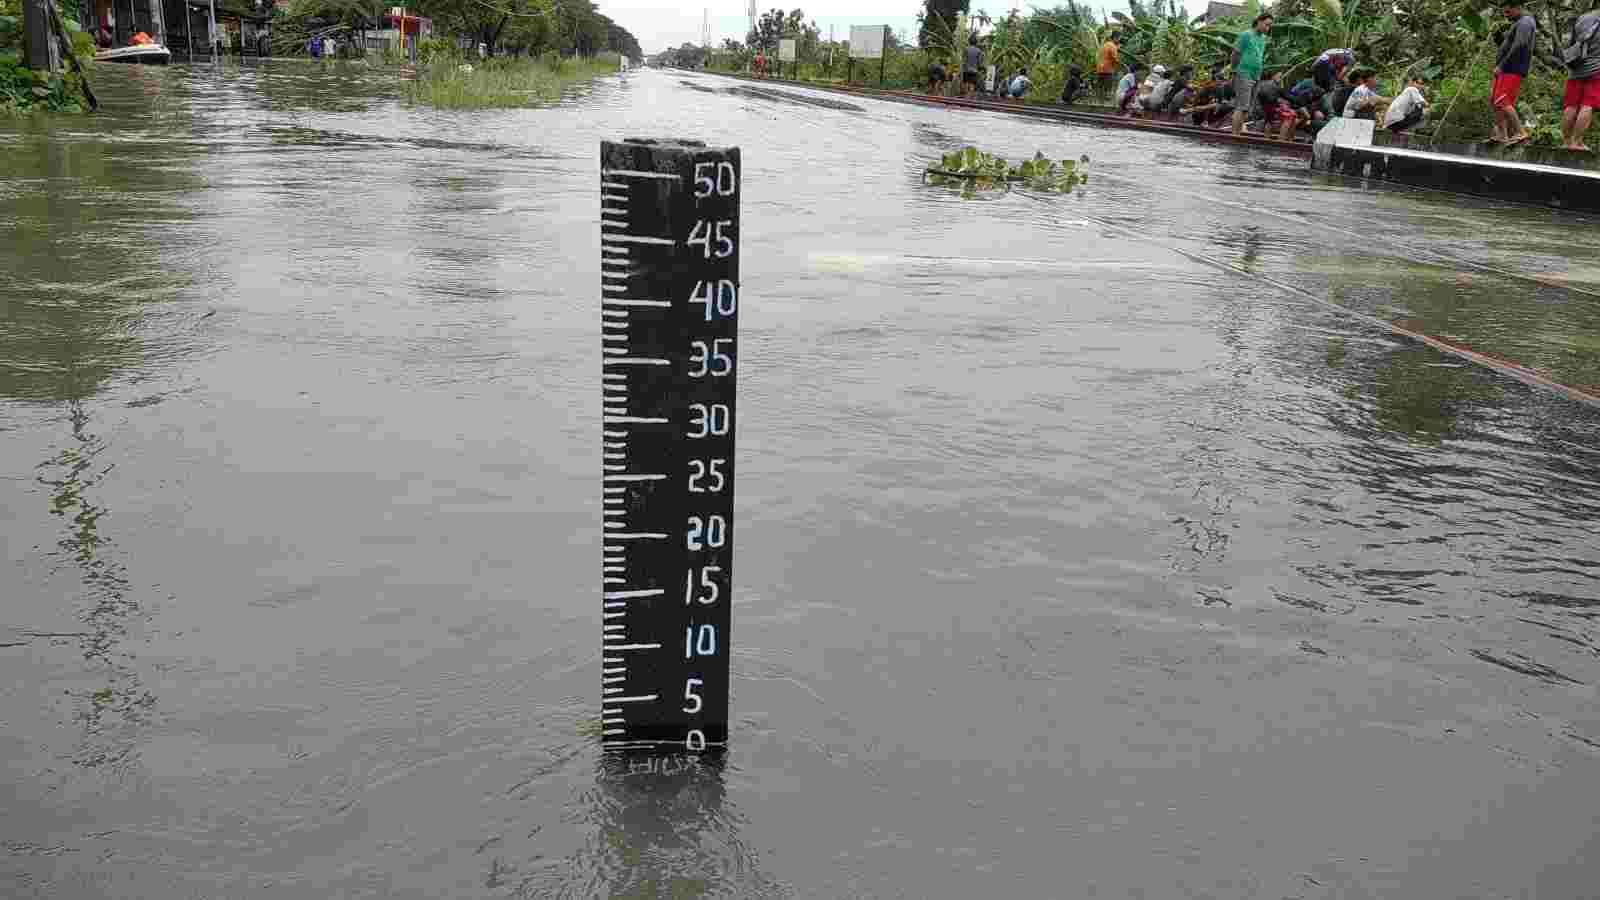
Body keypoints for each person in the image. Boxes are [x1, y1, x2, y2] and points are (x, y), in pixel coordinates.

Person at [1491, 3, 1536, 144]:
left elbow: (1520, 44)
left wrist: (1502, 65)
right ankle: (1502, 135)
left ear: (1517, 7)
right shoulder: (1518, 23)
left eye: (1509, 12)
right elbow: (1509, 44)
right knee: (1495, 101)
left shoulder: (1525, 22)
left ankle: (1520, 132)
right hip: (1505, 69)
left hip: (1512, 69)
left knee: (1502, 100)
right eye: (1504, 12)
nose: (1507, 15)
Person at [1561, 9, 1600, 150]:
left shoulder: (1583, 18)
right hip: (1596, 69)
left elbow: (1570, 42)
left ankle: (1566, 142)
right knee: (1587, 105)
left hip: (1576, 68)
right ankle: (1577, 142)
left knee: (1571, 105)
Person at [1232, 12, 1273, 136]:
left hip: (1256, 75)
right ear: (1259, 21)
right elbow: (1235, 54)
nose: (1268, 28)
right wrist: (1235, 70)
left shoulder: (1263, 38)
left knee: (1247, 108)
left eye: (1269, 26)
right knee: (1242, 106)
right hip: (1243, 73)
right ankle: (1234, 135)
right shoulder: (1246, 35)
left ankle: (1238, 133)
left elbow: (1258, 56)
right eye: (1266, 25)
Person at [1096, 32, 1121, 98]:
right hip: (1107, 69)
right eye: (1118, 39)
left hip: (1099, 68)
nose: (1119, 40)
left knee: (1100, 84)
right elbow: (1114, 58)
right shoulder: (1112, 46)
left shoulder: (1104, 45)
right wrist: (1119, 63)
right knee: (1108, 84)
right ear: (1115, 38)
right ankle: (1107, 96)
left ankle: (1099, 97)